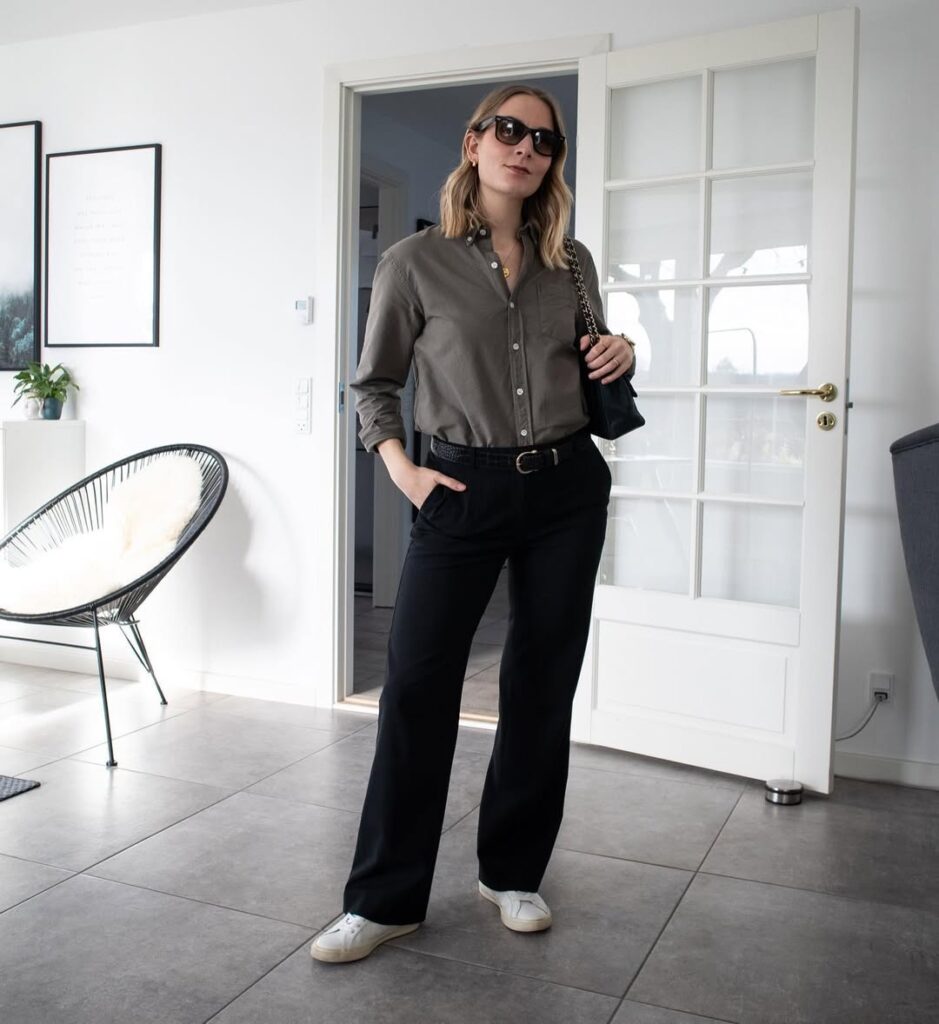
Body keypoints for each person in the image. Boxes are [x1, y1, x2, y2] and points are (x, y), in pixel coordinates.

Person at [311, 83, 636, 964]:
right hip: (457, 488)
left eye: (543, 139)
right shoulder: (414, 262)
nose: (525, 147)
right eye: (508, 131)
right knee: (417, 690)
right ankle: (384, 900)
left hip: (566, 491)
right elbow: (373, 382)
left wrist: (623, 350)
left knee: (540, 684)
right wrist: (403, 471)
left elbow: (592, 354)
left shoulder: (573, 262)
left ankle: (512, 871)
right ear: (472, 142)